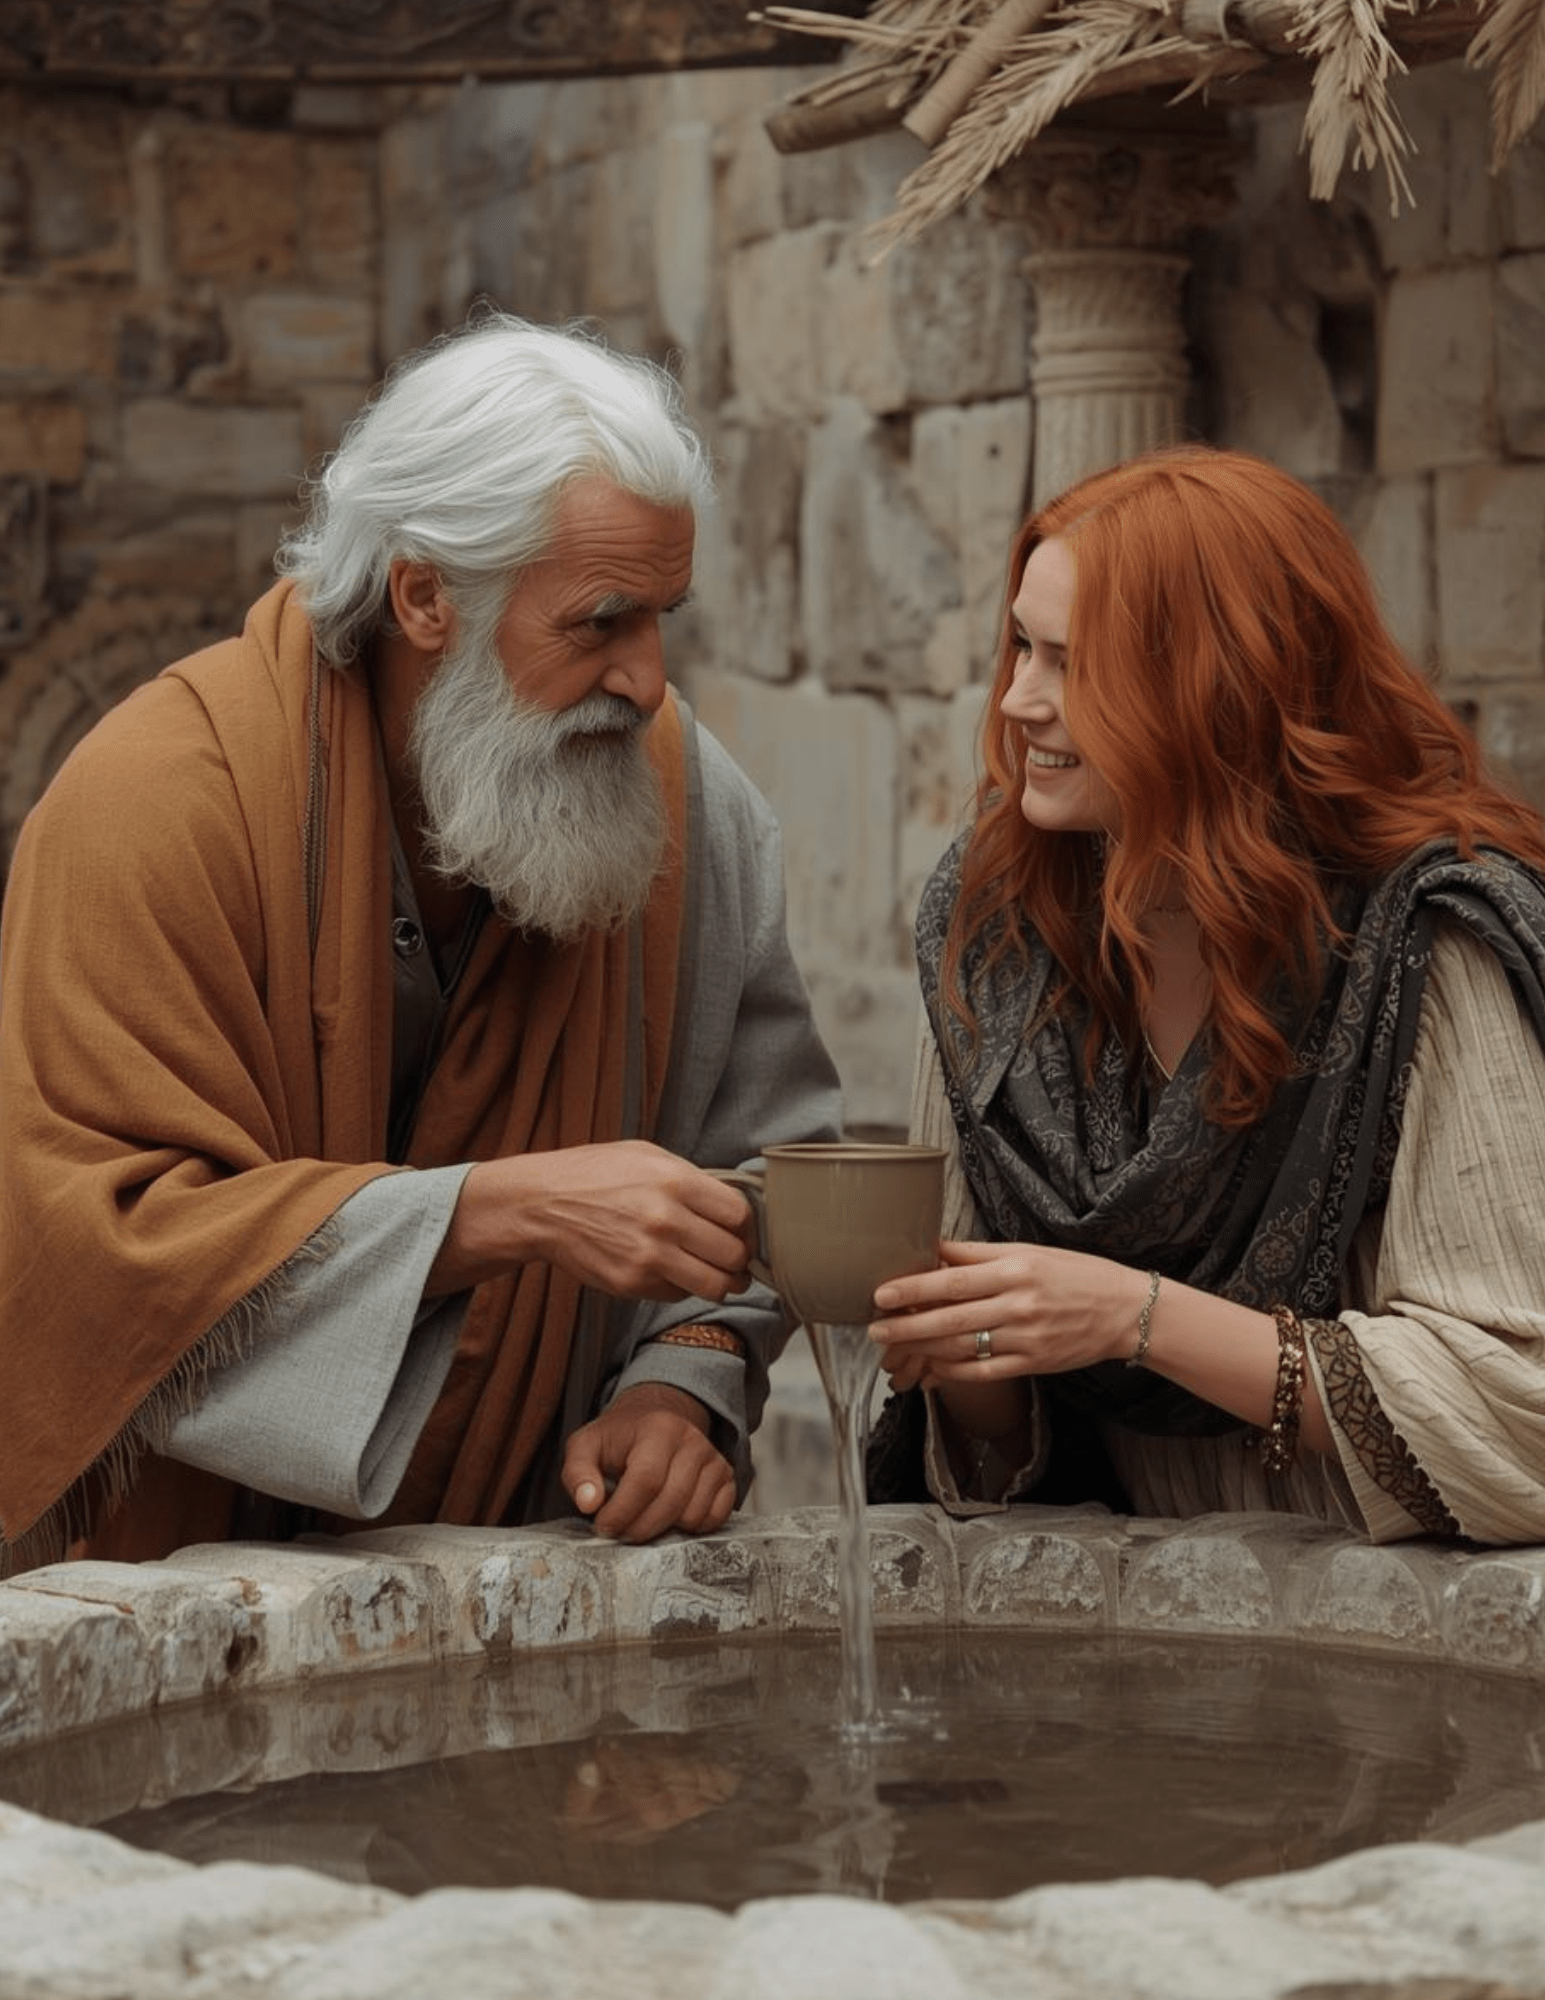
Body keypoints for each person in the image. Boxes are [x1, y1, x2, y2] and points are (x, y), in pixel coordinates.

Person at [0, 310, 842, 1578]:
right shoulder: (154, 806)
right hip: (175, 1601)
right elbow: (97, 1257)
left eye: (663, 615)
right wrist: (502, 1210)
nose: (648, 679)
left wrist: (684, 1378)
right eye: (600, 622)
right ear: (425, 596)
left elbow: (765, 1170)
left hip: (537, 1601)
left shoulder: (682, 800)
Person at [867, 443, 1545, 1546]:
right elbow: (996, 1472)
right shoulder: (995, 940)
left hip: (1394, 1620)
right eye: (1022, 647)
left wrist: (1135, 1317)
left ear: (1214, 689)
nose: (1018, 700)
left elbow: (1519, 1425)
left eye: (1072, 665)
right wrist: (968, 1355)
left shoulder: (1425, 945)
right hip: (1127, 1626)